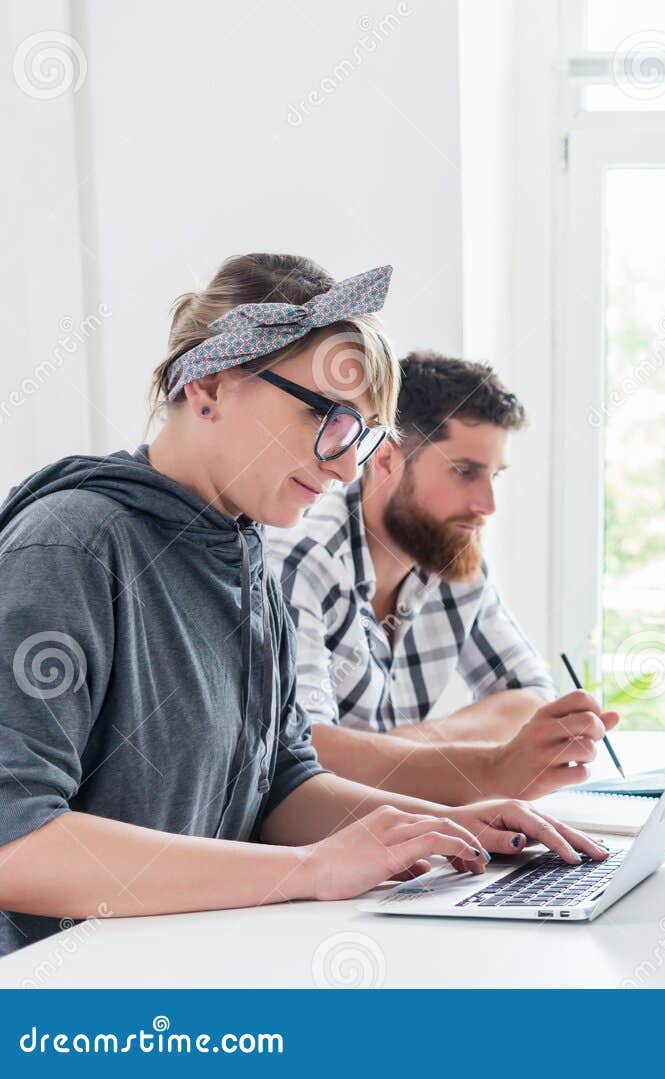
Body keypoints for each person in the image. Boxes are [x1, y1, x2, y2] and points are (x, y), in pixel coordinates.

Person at [0, 254, 606, 958]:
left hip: (189, 965)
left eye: (365, 434)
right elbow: (16, 841)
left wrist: (449, 822)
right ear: (207, 385)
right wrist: (306, 870)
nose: (348, 467)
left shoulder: (245, 553)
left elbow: (283, 782)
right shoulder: (70, 547)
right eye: (330, 419)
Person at [266, 352, 611, 804]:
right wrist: (476, 762)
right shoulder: (299, 559)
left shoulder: (452, 556)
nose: (487, 504)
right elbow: (303, 754)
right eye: (464, 472)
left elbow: (527, 700)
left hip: (411, 835)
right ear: (387, 459)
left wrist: (387, 752)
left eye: (494, 477)